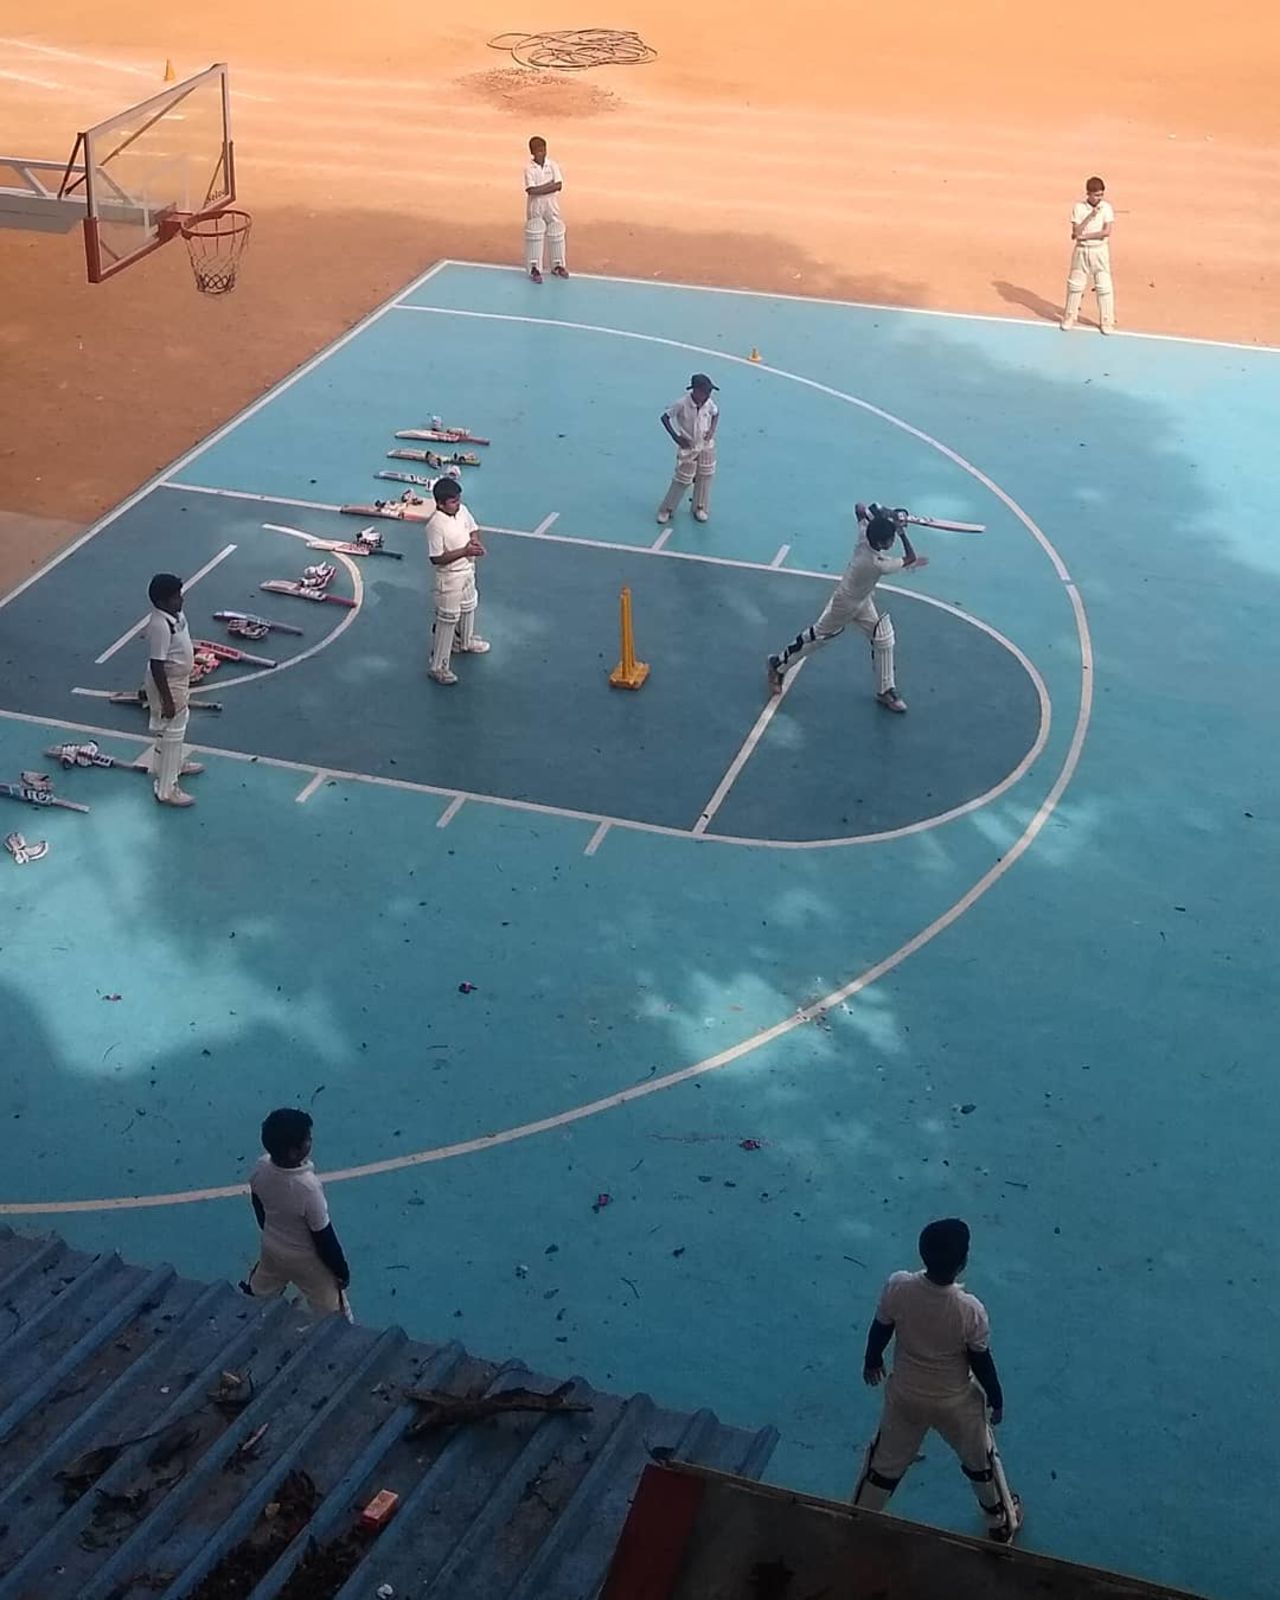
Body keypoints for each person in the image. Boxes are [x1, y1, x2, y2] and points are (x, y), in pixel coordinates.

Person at [852, 1218, 1020, 1542]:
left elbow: (881, 1327)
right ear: (963, 1263)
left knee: (883, 1462)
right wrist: (996, 1398)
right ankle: (1001, 1522)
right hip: (955, 1401)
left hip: (905, 1396)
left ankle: (859, 1515)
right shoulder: (969, 1310)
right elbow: (980, 1360)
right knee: (981, 1461)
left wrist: (872, 1360)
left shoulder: (898, 1287)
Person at [766, 503, 928, 713]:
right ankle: (777, 664)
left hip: (862, 600)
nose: (892, 541)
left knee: (884, 639)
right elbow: (911, 558)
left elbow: (861, 508)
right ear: (881, 542)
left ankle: (885, 690)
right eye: (891, 539)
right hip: (845, 604)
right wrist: (901, 531)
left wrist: (885, 512)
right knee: (817, 638)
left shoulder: (864, 536)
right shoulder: (877, 563)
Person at [242, 1107, 352, 1319]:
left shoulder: (261, 1167)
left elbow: (257, 1203)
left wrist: (269, 1230)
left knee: (261, 1288)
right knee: (332, 1311)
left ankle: (248, 1314)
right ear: (294, 1151)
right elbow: (324, 1236)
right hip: (307, 1261)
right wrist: (341, 1270)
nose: (311, 1141)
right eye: (307, 1139)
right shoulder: (308, 1188)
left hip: (272, 1246)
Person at [144, 572, 203, 808]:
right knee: (172, 730)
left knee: (177, 724)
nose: (181, 600)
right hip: (169, 682)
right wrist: (167, 699)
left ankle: (169, 765)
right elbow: (157, 665)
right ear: (161, 602)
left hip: (179, 679)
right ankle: (167, 789)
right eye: (175, 597)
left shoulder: (175, 616)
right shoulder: (160, 624)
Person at [425, 476, 489, 686]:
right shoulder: (435, 525)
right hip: (449, 577)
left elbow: (473, 528)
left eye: (458, 499)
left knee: (469, 605)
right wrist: (465, 551)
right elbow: (436, 558)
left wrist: (475, 542)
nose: (457, 503)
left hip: (468, 570)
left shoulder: (462, 511)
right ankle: (438, 667)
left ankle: (466, 641)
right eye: (452, 501)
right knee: (447, 619)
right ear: (440, 503)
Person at [657, 373, 719, 525]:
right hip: (688, 446)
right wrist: (675, 437)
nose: (707, 396)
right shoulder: (682, 403)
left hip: (704, 444)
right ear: (696, 391)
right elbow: (665, 418)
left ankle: (700, 507)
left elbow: (716, 414)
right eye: (705, 392)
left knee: (705, 475)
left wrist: (711, 431)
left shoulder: (709, 403)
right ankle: (667, 509)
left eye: (709, 392)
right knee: (682, 479)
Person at [1061, 176, 1115, 333]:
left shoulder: (1107, 208)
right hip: (1081, 251)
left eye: (1101, 194)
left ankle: (1107, 321)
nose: (1099, 198)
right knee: (1075, 285)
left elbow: (1106, 232)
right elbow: (1075, 231)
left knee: (1104, 286)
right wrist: (1090, 216)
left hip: (1100, 250)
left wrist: (1085, 236)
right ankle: (1070, 316)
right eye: (1097, 195)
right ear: (1088, 194)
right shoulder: (1079, 208)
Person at [524, 135, 568, 284]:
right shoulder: (529, 168)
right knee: (535, 234)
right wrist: (549, 186)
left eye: (543, 150)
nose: (542, 153)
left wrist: (543, 188)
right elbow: (531, 190)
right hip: (536, 206)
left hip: (552, 205)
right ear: (532, 152)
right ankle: (534, 269)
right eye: (538, 151)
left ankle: (558, 266)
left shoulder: (553, 165)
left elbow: (559, 185)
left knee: (556, 232)